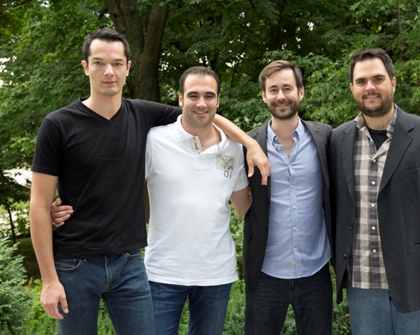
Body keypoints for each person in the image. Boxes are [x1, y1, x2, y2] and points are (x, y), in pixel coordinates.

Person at [30, 28, 268, 335]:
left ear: (128, 68)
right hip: (75, 264)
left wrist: (251, 144)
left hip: (129, 263)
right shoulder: (57, 124)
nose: (108, 71)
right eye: (99, 62)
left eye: (117, 63)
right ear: (85, 66)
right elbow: (38, 204)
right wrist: (48, 280)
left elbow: (202, 114)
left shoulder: (142, 115)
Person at [329, 48, 420, 334]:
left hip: (418, 279)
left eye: (377, 79)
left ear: (393, 82)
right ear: (352, 87)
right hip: (362, 282)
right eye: (361, 81)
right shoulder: (337, 140)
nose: (370, 87)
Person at [145, 66, 251, 334]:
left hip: (216, 273)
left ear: (218, 100)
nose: (201, 103)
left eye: (209, 95)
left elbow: (243, 206)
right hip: (162, 273)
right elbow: (118, 186)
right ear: (180, 99)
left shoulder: (234, 148)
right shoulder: (155, 140)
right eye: (193, 95)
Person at [242, 60, 333, 335]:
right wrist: (245, 143)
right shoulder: (248, 143)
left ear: (301, 92)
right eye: (273, 90)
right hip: (266, 273)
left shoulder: (325, 137)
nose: (280, 96)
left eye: (287, 88)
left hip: (315, 272)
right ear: (263, 95)